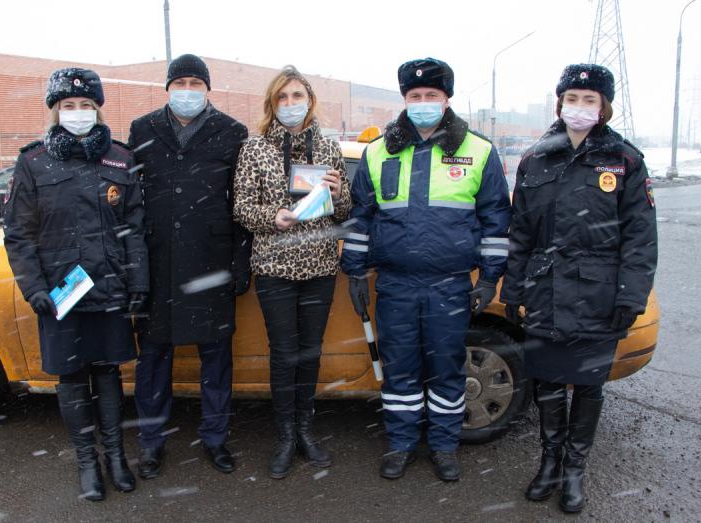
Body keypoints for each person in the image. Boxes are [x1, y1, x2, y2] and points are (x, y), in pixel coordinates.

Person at [340, 58, 511, 482]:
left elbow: (495, 219)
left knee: (446, 369)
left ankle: (443, 446)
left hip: (450, 285)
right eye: (415, 97)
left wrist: (490, 276)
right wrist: (355, 271)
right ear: (404, 99)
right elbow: (361, 217)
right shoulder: (379, 151)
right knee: (400, 370)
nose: (422, 103)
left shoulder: (478, 149)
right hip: (395, 284)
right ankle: (400, 444)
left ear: (445, 99)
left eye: (431, 96)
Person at [499, 64, 657, 513]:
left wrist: (630, 296)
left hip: (598, 294)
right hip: (546, 289)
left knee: (587, 385)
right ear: (559, 103)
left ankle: (574, 471)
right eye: (573, 99)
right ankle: (548, 463)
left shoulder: (624, 160)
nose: (580, 108)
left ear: (604, 107)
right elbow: (521, 233)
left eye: (590, 100)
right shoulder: (535, 158)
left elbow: (641, 237)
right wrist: (512, 291)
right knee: (548, 379)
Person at [3, 67, 148, 501]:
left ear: (98, 109)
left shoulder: (120, 159)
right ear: (55, 111)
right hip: (60, 295)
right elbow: (18, 234)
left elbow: (135, 227)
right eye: (69, 106)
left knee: (107, 375)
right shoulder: (32, 162)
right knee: (70, 378)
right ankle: (87, 463)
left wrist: (138, 280)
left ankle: (116, 458)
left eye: (86, 106)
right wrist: (34, 289)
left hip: (109, 289)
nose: (78, 113)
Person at [128, 54, 251, 478]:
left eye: (195, 83)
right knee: (153, 360)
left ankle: (215, 438)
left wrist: (239, 263)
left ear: (207, 88)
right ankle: (151, 442)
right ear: (167, 88)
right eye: (179, 82)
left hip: (210, 266)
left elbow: (241, 203)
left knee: (216, 361)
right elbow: (132, 201)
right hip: (159, 267)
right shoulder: (143, 129)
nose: (187, 91)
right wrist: (135, 269)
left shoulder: (232, 132)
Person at [233, 65, 351, 479]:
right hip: (274, 268)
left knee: (310, 352)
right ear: (272, 103)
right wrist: (274, 216)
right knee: (284, 355)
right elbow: (242, 208)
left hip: (319, 265)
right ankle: (284, 436)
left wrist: (339, 195)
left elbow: (346, 210)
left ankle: (305, 430)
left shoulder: (329, 147)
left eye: (296, 96)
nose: (289, 104)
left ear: (309, 100)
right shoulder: (255, 148)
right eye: (282, 98)